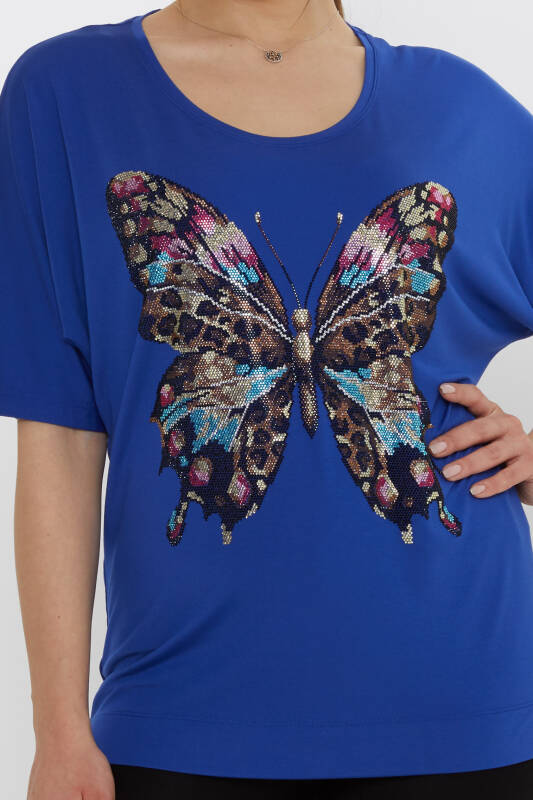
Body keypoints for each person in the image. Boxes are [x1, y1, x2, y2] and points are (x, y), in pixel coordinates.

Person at [2, 1, 533, 797]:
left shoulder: (459, 105)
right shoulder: (65, 90)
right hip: (178, 715)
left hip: (466, 709)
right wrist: (57, 733)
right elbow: (58, 434)